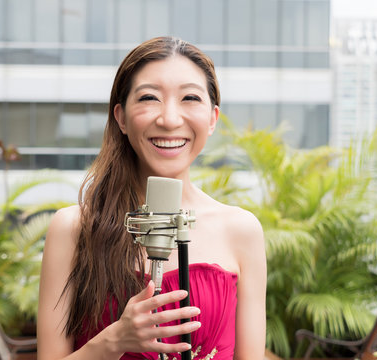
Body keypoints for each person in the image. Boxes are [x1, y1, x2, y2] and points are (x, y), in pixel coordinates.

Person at [37, 36, 266, 360]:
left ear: (213, 118)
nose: (170, 119)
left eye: (189, 97)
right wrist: (113, 341)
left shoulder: (242, 230)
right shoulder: (74, 228)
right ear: (121, 117)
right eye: (149, 98)